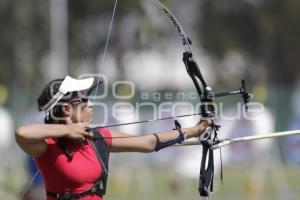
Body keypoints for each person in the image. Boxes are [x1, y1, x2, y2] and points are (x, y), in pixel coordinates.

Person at [15, 75, 212, 200]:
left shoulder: (98, 137)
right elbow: (22, 133)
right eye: (84, 99)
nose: (91, 104)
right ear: (66, 109)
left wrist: (196, 129)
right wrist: (67, 131)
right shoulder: (47, 146)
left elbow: (148, 142)